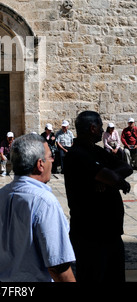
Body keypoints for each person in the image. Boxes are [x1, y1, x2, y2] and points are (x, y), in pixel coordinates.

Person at [0, 133, 76, 282]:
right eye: (50, 156)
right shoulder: (44, 202)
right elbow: (58, 266)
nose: (53, 160)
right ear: (40, 164)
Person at [64, 111, 133, 283]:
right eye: (101, 126)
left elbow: (126, 168)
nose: (102, 130)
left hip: (110, 233)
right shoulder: (77, 154)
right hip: (91, 234)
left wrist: (106, 179)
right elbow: (116, 178)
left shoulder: (97, 151)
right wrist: (113, 179)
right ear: (93, 128)